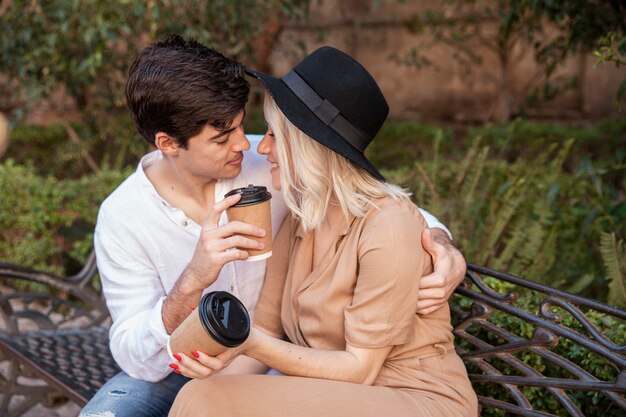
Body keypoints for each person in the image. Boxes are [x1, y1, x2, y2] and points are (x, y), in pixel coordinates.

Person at [80, 36, 467, 417]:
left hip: (378, 387)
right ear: (167, 143)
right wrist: (196, 284)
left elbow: (394, 216)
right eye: (222, 137)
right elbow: (140, 356)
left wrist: (441, 244)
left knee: (202, 402)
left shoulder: (285, 183)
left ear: (308, 149)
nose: (250, 147)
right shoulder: (126, 216)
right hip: (188, 363)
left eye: (249, 129)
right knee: (166, 403)